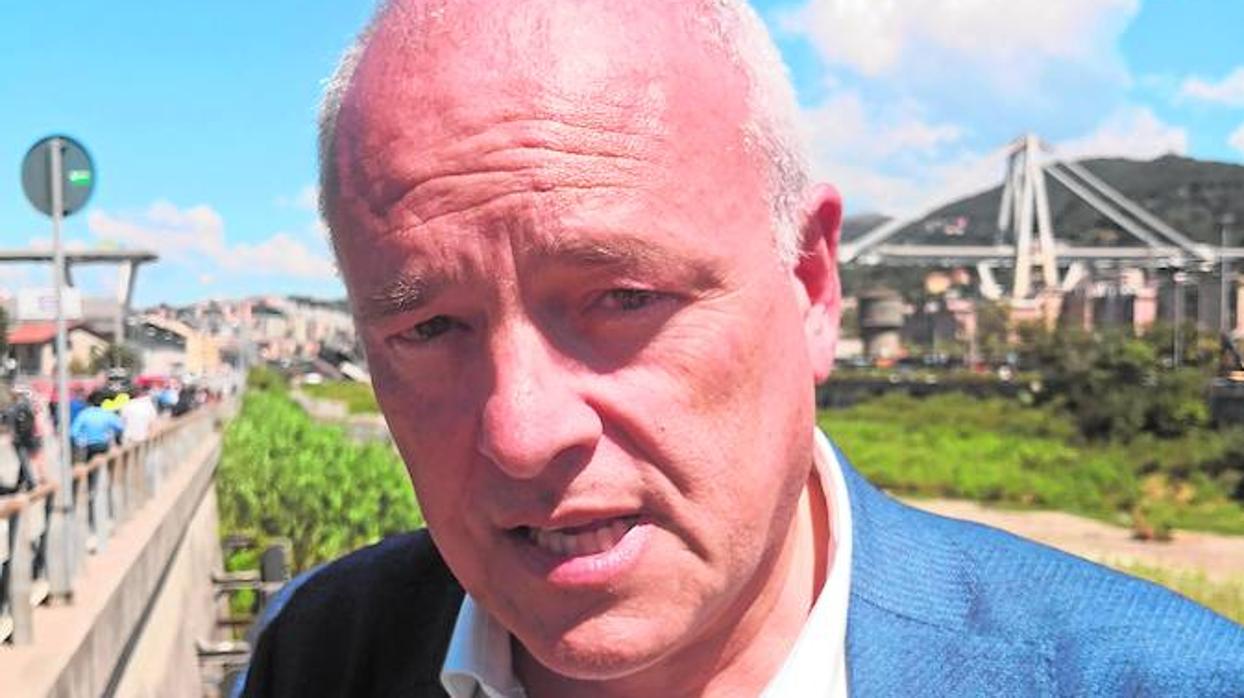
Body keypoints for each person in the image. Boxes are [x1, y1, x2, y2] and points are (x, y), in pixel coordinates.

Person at [241, 2, 1244, 696]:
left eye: (622, 299)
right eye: (427, 328)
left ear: (810, 287)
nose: (521, 431)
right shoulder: (319, 653)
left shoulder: (1157, 680)